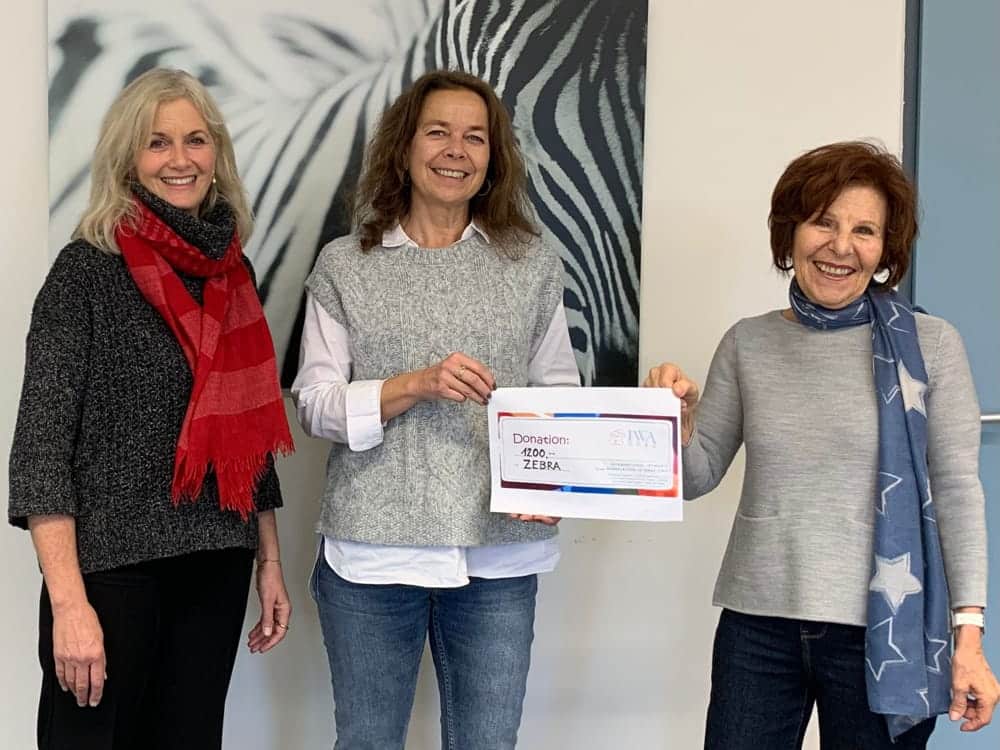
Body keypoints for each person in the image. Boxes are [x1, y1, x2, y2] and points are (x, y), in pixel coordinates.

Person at [644, 141, 999, 748]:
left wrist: (970, 639)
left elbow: (959, 494)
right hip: (758, 625)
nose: (841, 246)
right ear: (791, 233)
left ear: (885, 250)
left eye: (865, 230)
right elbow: (697, 475)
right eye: (823, 222)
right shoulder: (747, 343)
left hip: (883, 631)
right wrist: (677, 421)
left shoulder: (932, 346)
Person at [8, 68, 294, 750]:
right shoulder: (85, 272)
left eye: (195, 140)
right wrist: (68, 605)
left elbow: (247, 432)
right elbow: (40, 450)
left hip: (215, 561)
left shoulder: (234, 272)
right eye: (157, 143)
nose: (180, 159)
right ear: (127, 159)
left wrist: (268, 560)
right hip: (111, 572)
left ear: (216, 154)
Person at [292, 69, 579, 749]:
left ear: (492, 159)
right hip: (371, 554)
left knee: (488, 743)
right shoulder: (345, 264)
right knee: (367, 742)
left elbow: (559, 398)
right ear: (405, 147)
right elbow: (316, 405)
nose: (456, 150)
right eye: (439, 132)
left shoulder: (531, 265)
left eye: (475, 137)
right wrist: (412, 385)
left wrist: (552, 480)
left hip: (498, 557)